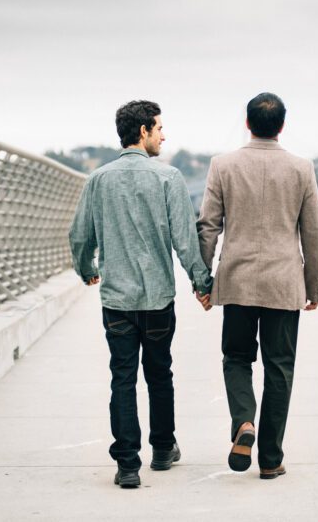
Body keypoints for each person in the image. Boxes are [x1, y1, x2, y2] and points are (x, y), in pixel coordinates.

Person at [68, 100, 212, 489]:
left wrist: (87, 269)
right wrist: (202, 282)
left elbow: (80, 235)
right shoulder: (168, 178)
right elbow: (185, 239)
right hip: (158, 298)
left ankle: (128, 464)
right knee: (160, 374)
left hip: (116, 299)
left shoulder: (98, 179)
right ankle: (163, 449)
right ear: (143, 131)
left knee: (123, 378)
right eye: (159, 128)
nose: (164, 135)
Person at [197, 92, 318, 480]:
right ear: (282, 126)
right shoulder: (301, 169)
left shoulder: (223, 165)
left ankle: (243, 422)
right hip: (283, 284)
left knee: (237, 358)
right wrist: (314, 286)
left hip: (237, 281)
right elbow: (314, 234)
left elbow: (208, 226)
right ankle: (270, 458)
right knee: (279, 367)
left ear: (248, 123)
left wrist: (203, 279)